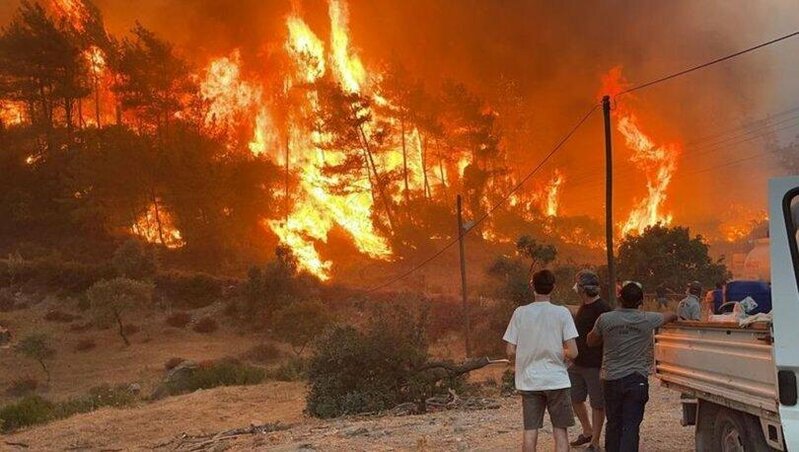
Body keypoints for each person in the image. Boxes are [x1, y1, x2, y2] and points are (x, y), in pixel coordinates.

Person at [587, 282, 678, 452]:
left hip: (611, 378)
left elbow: (590, 341)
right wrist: (676, 316)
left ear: (619, 298)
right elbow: (670, 315)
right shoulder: (647, 319)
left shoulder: (605, 319)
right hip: (636, 380)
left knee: (613, 423)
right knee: (630, 426)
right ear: (641, 302)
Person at [504, 269, 579, 452]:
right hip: (557, 380)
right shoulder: (562, 313)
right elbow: (574, 352)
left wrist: (524, 353)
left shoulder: (520, 313)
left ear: (532, 286)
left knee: (530, 431)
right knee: (560, 431)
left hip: (529, 382)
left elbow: (510, 351)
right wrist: (561, 353)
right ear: (553, 287)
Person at [568, 270, 611, 451]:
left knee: (597, 403)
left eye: (577, 284)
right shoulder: (583, 306)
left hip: (594, 365)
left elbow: (608, 340)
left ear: (582, 289)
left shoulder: (603, 309)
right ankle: (587, 431)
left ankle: (595, 441)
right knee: (575, 398)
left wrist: (604, 365)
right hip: (578, 363)